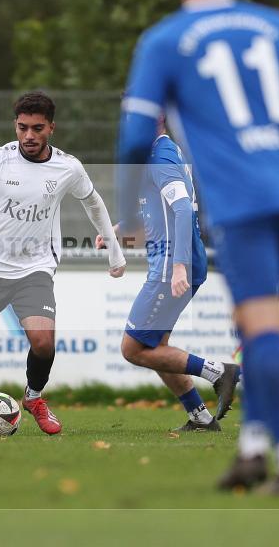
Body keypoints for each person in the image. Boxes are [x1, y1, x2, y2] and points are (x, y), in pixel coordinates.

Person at [117, 0, 279, 494]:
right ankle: (250, 450)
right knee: (259, 319)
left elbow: (134, 137)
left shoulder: (163, 41)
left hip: (243, 202)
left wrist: (127, 208)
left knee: (260, 327)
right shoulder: (278, 26)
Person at [0, 91, 126, 436]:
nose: (29, 135)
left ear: (51, 128)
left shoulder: (67, 167)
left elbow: (93, 202)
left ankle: (34, 397)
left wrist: (115, 250)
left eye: (37, 128)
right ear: (15, 126)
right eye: (22, 127)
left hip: (34, 268)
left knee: (43, 342)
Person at [99, 120, 239, 432]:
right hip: (176, 261)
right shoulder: (160, 152)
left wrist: (178, 266)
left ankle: (218, 372)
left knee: (132, 348)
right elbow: (157, 205)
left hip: (171, 265)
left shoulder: (161, 158)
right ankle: (200, 417)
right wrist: (119, 229)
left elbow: (182, 210)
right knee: (156, 348)